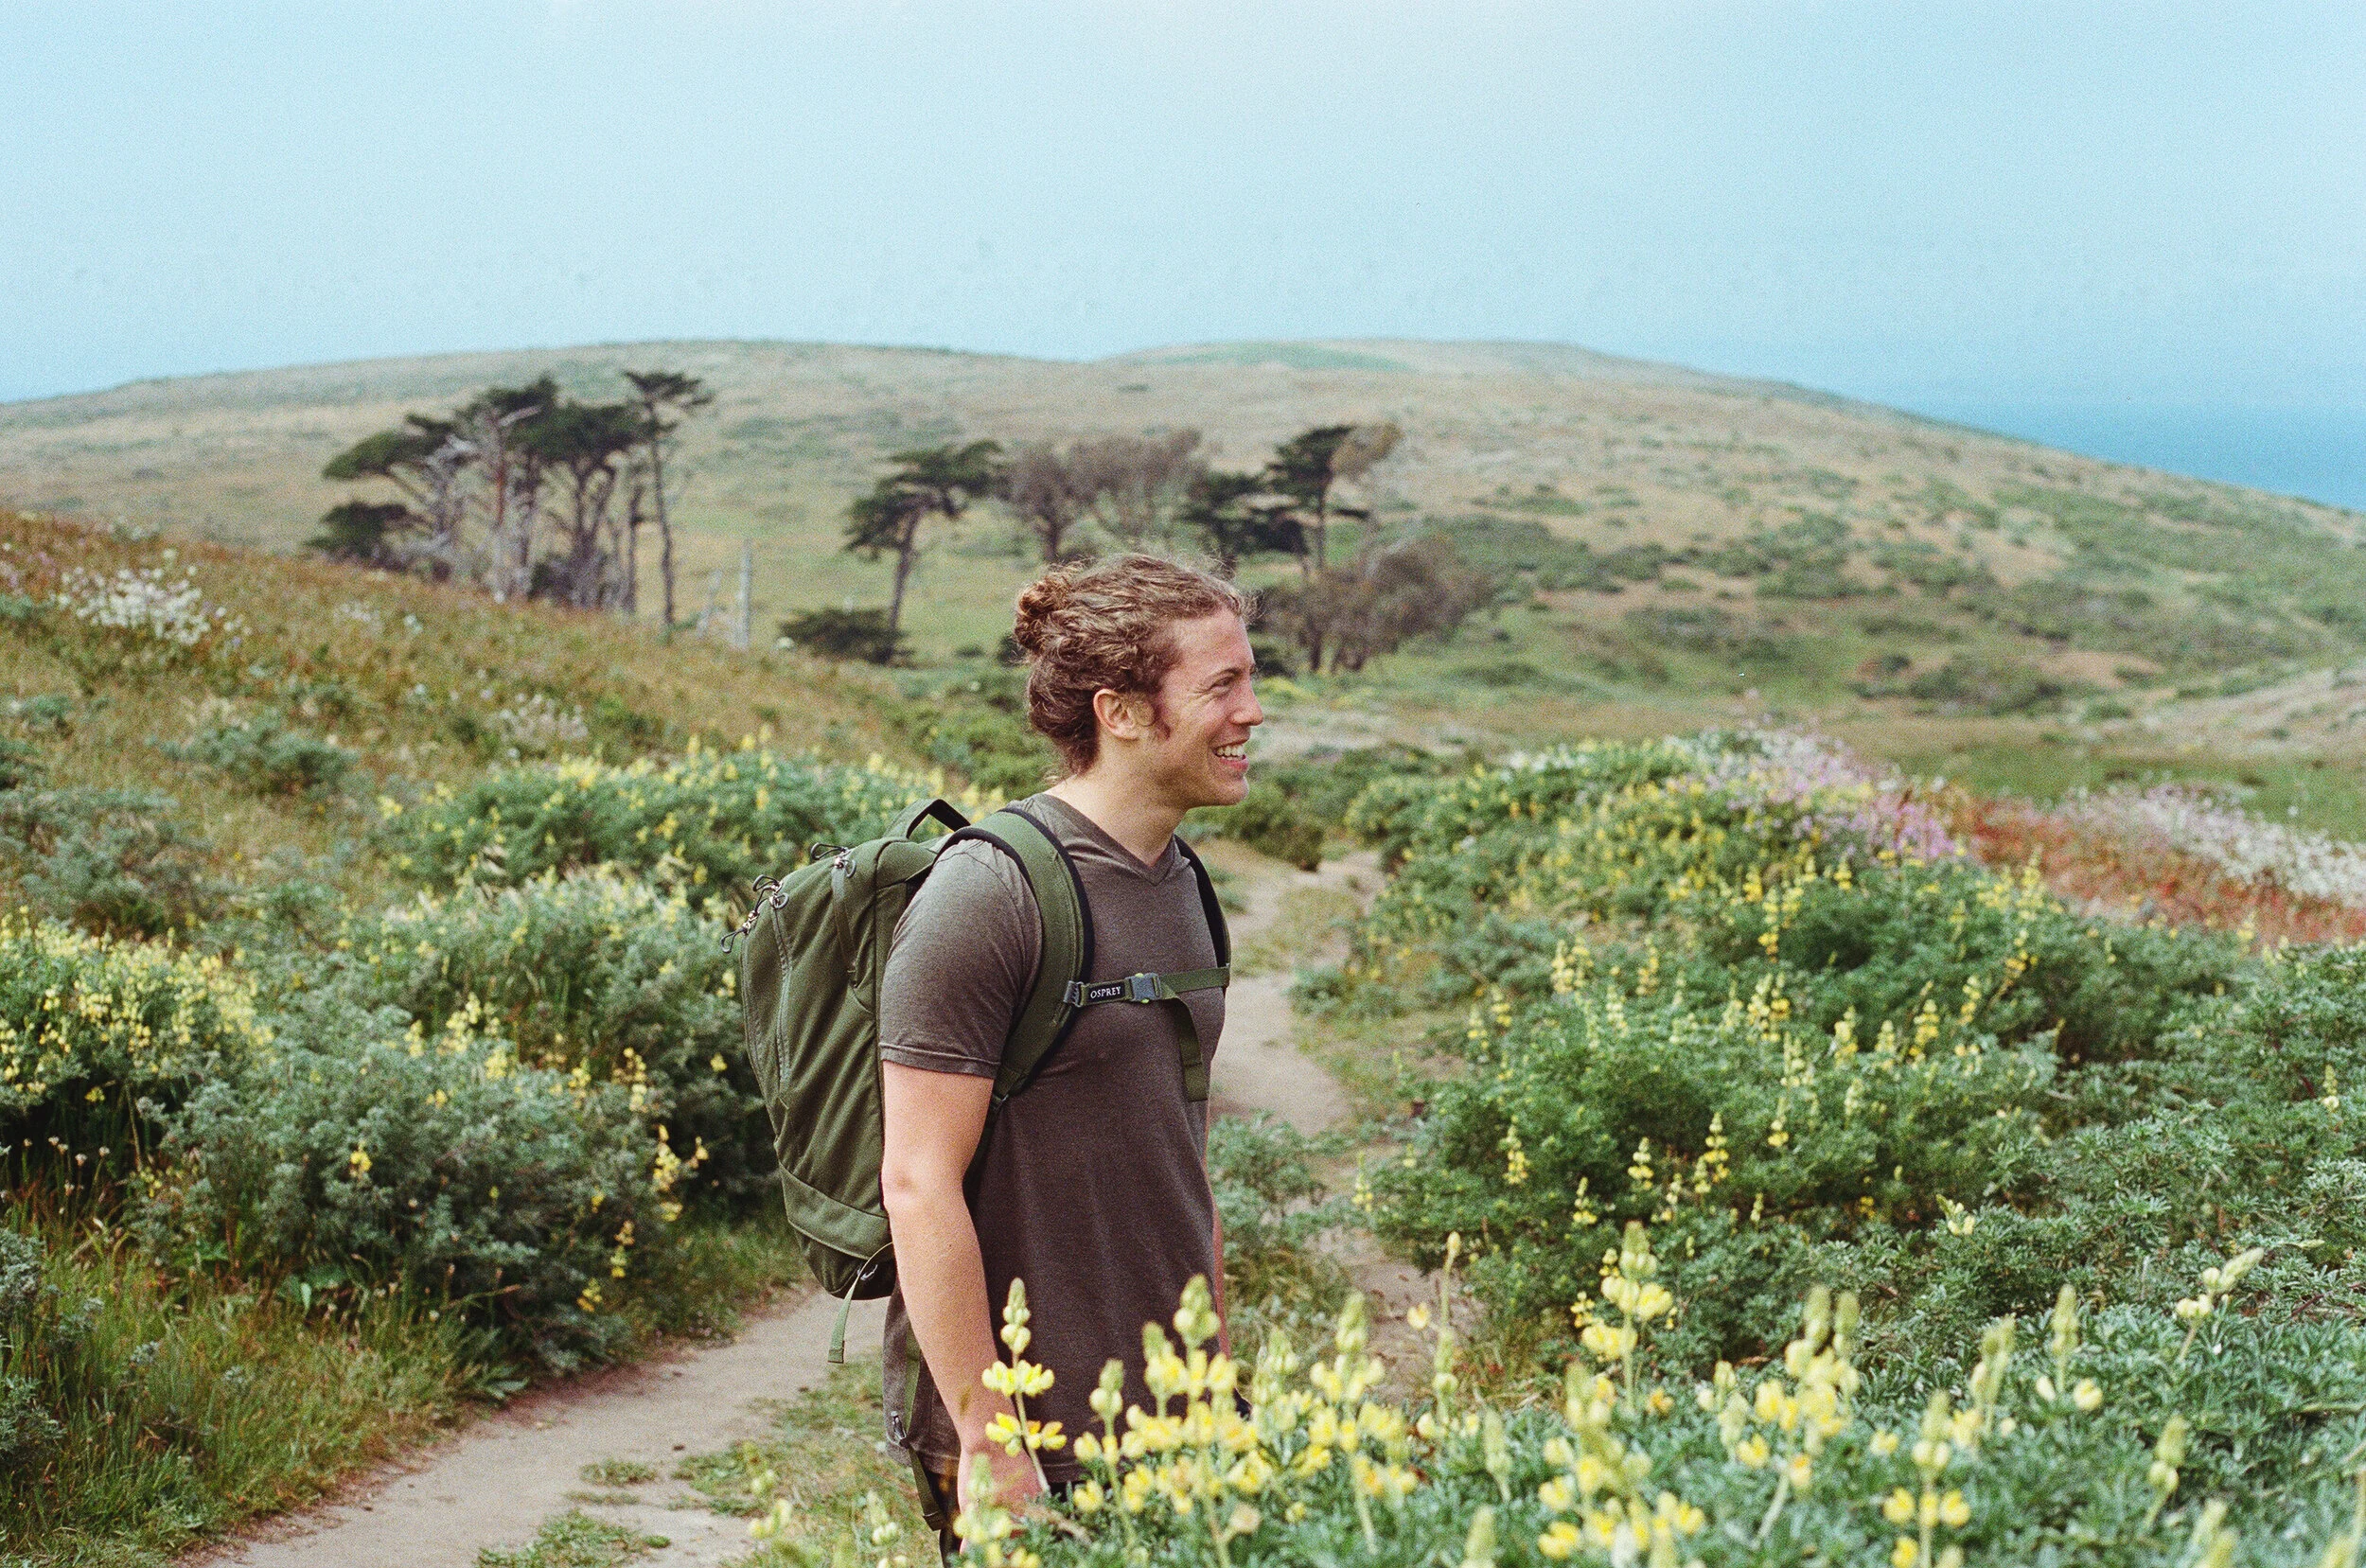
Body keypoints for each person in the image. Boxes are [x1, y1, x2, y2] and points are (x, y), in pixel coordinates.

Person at [876, 554, 1262, 1552]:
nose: (1251, 712)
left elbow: (1179, 1156)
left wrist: (1211, 1381)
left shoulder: (1184, 882)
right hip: (1032, 1429)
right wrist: (991, 1438)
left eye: (1248, 679)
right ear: (1121, 710)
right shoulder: (988, 893)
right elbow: (917, 1182)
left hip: (1169, 1417)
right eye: (1221, 685)